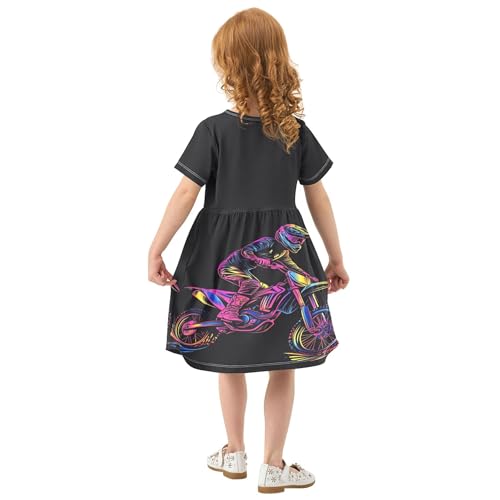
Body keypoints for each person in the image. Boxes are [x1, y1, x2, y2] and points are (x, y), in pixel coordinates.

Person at [148, 7, 349, 494]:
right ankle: (273, 465)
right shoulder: (294, 131)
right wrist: (335, 256)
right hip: (284, 256)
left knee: (228, 360)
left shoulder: (213, 131)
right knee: (283, 363)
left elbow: (186, 193)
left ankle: (234, 451)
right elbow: (318, 196)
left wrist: (156, 248)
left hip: (222, 256)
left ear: (230, 66)